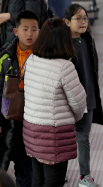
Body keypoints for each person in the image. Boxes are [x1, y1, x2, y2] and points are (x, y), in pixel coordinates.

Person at [23, 18, 86, 187]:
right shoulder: (65, 67)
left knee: (37, 179)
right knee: (53, 182)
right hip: (54, 135)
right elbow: (79, 104)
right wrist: (75, 117)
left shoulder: (31, 60)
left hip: (31, 130)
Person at [0, 10, 39, 187]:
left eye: (34, 29)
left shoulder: (43, 57)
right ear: (16, 31)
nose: (30, 34)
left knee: (28, 166)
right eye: (25, 29)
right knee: (9, 158)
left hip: (34, 122)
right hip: (10, 123)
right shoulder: (4, 58)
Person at [65, 4, 103, 187]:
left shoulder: (88, 40)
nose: (83, 22)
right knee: (64, 138)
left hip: (88, 98)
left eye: (85, 18)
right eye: (78, 18)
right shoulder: (63, 45)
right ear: (67, 22)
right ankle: (60, 172)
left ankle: (84, 175)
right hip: (69, 101)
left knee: (83, 137)